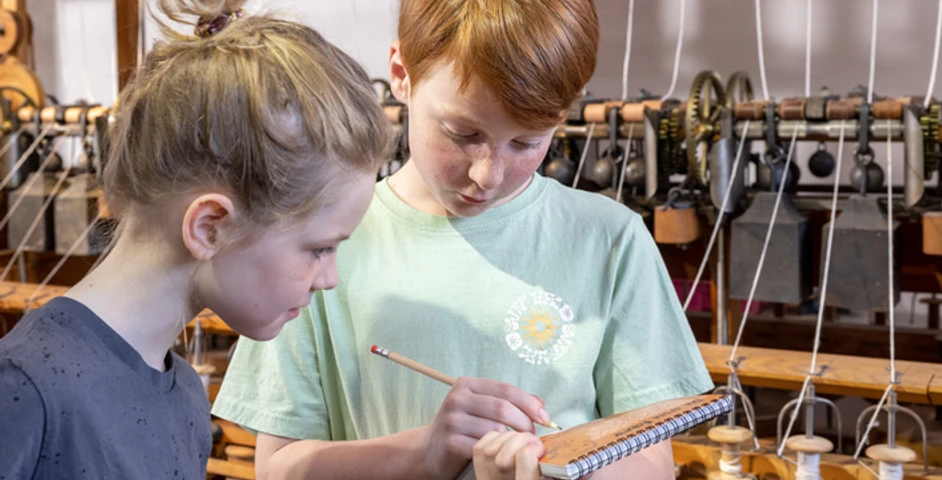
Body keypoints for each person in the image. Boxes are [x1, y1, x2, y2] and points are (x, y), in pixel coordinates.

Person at [212, 0, 713, 479]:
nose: (487, 175)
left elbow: (652, 464)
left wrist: (561, 471)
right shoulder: (322, 242)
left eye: (526, 142)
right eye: (462, 133)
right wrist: (423, 456)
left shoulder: (610, 240)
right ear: (402, 74)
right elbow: (279, 467)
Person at [0, 0, 394, 478]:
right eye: (320, 249)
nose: (329, 278)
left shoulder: (184, 396)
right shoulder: (25, 393)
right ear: (210, 226)